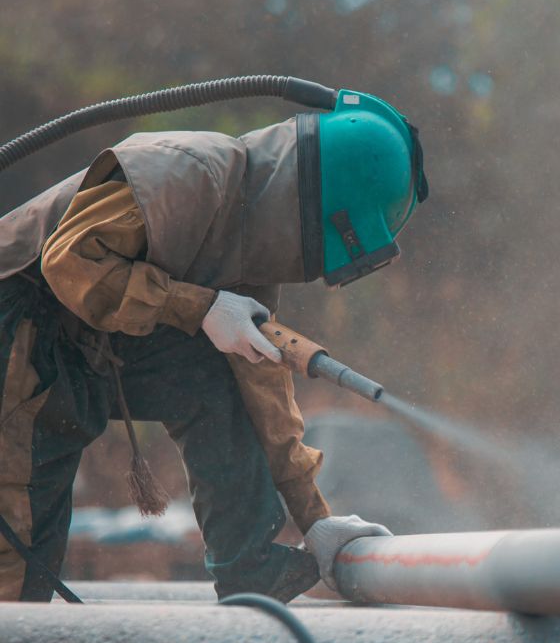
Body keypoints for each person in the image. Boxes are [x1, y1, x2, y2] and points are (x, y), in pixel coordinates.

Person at [0, 91, 428, 603]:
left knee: (225, 373)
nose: (310, 266)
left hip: (79, 342)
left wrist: (316, 520)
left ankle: (249, 571)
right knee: (19, 557)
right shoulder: (189, 173)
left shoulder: (249, 255)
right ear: (310, 204)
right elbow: (70, 263)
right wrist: (196, 307)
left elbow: (261, 391)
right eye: (317, 247)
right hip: (20, 318)